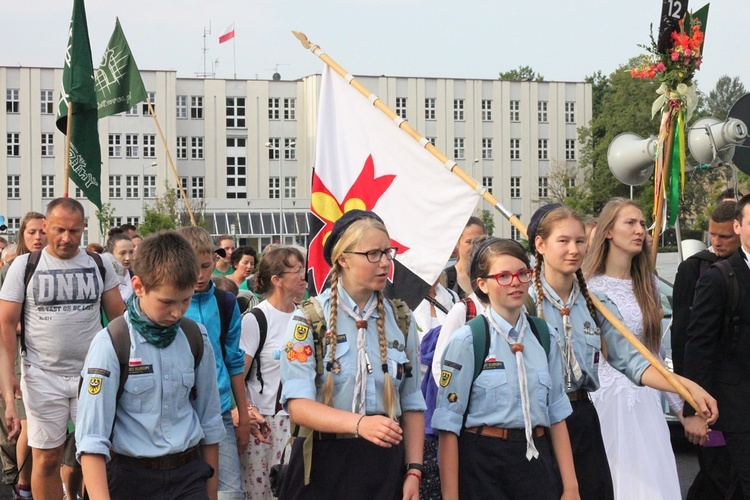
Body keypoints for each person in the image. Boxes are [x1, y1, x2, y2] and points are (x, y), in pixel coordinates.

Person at [529, 203, 719, 499]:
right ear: (541, 245)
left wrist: (685, 390)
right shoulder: (529, 302)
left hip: (591, 410)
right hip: (549, 416)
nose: (574, 249)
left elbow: (636, 358)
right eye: (563, 241)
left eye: (579, 241)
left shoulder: (595, 301)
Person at [279, 210, 425, 499]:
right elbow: (298, 406)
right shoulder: (309, 319)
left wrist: (414, 470)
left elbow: (412, 401)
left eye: (387, 252)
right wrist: (360, 424)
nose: (385, 263)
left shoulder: (400, 318)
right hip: (322, 465)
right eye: (373, 254)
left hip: (384, 468)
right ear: (343, 259)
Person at [75, 231, 224, 499]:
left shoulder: (195, 337)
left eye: (186, 300)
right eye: (166, 302)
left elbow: (210, 422)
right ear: (138, 286)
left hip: (188, 477)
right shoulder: (112, 343)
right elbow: (91, 440)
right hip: (130, 480)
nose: (177, 312)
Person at [582, 198, 713, 499]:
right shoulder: (587, 286)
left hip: (645, 400)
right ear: (608, 232)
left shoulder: (648, 285)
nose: (640, 229)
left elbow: (655, 355)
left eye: (642, 223)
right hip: (604, 400)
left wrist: (683, 410)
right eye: (630, 222)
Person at [433, 238, 578, 500]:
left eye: (523, 273)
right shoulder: (468, 340)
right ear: (482, 284)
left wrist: (571, 488)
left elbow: (557, 413)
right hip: (484, 465)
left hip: (536, 462)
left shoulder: (544, 336)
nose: (515, 282)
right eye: (503, 276)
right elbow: (448, 425)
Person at [0, 199, 124, 499]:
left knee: (94, 454)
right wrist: (7, 388)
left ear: (84, 228)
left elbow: (120, 321)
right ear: (45, 227)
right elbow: (5, 326)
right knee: (47, 457)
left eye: (74, 231)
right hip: (42, 375)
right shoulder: (24, 266)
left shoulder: (99, 263)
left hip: (91, 375)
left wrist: (127, 371)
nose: (66, 238)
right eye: (58, 230)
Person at [177, 226, 254, 500]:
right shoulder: (167, 303)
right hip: (176, 412)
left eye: (206, 266)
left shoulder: (226, 302)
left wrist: (242, 416)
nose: (199, 275)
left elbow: (234, 362)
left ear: (215, 260)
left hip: (218, 411)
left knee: (230, 493)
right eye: (192, 267)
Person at [685, 194, 750, 497]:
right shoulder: (719, 277)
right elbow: (699, 346)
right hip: (737, 407)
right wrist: (694, 407)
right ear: (739, 226)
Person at [240, 246, 307, 499]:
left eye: (303, 269)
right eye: (296, 270)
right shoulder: (256, 319)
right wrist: (246, 411)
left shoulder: (305, 317)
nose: (303, 276)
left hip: (300, 422)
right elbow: (239, 375)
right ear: (276, 280)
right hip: (264, 424)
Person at [0, 212, 45, 498]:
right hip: (17, 351)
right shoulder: (13, 269)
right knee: (23, 423)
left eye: (42, 231)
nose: (38, 237)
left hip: (47, 355)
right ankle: (18, 481)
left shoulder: (57, 266)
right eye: (32, 232)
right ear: (22, 236)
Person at [444, 217, 485, 299]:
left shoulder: (490, 275)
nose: (474, 246)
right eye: (469, 242)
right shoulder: (446, 278)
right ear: (457, 243)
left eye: (479, 241)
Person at [105, 229, 135, 302]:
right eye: (122, 253)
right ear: (110, 254)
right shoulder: (102, 279)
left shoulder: (136, 277)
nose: (128, 258)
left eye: (131, 252)